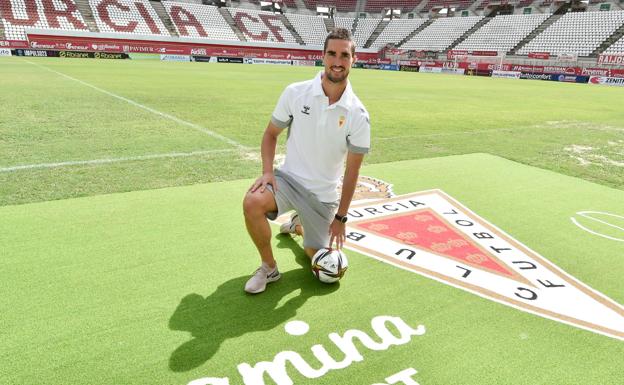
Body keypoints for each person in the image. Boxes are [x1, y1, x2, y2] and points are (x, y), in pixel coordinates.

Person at [242, 28, 370, 294]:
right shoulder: (295, 93)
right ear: (322, 56)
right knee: (253, 202)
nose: (337, 61)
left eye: (344, 55)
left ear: (353, 59)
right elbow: (270, 134)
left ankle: (297, 225)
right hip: (288, 181)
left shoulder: (358, 114)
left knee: (319, 260)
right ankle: (269, 267)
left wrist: (341, 217)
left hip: (322, 197)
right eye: (332, 54)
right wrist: (268, 172)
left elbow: (352, 171)